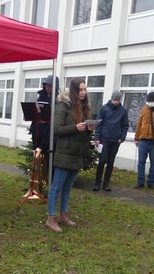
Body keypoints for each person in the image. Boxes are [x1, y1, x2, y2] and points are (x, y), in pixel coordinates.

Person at [45, 78, 95, 232]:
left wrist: (89, 129)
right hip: (65, 153)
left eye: (85, 89)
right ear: (73, 90)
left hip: (77, 153)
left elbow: (84, 132)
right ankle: (51, 218)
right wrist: (75, 127)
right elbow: (57, 129)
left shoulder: (85, 106)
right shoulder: (63, 106)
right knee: (56, 186)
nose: (83, 92)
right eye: (80, 89)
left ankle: (63, 215)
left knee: (68, 187)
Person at [93, 91, 128, 191]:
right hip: (104, 139)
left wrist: (122, 137)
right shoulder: (104, 109)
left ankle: (106, 184)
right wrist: (97, 138)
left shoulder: (123, 111)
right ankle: (97, 183)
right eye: (114, 100)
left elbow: (125, 125)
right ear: (111, 99)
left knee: (110, 162)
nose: (116, 102)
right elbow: (99, 124)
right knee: (102, 160)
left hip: (116, 140)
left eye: (118, 100)